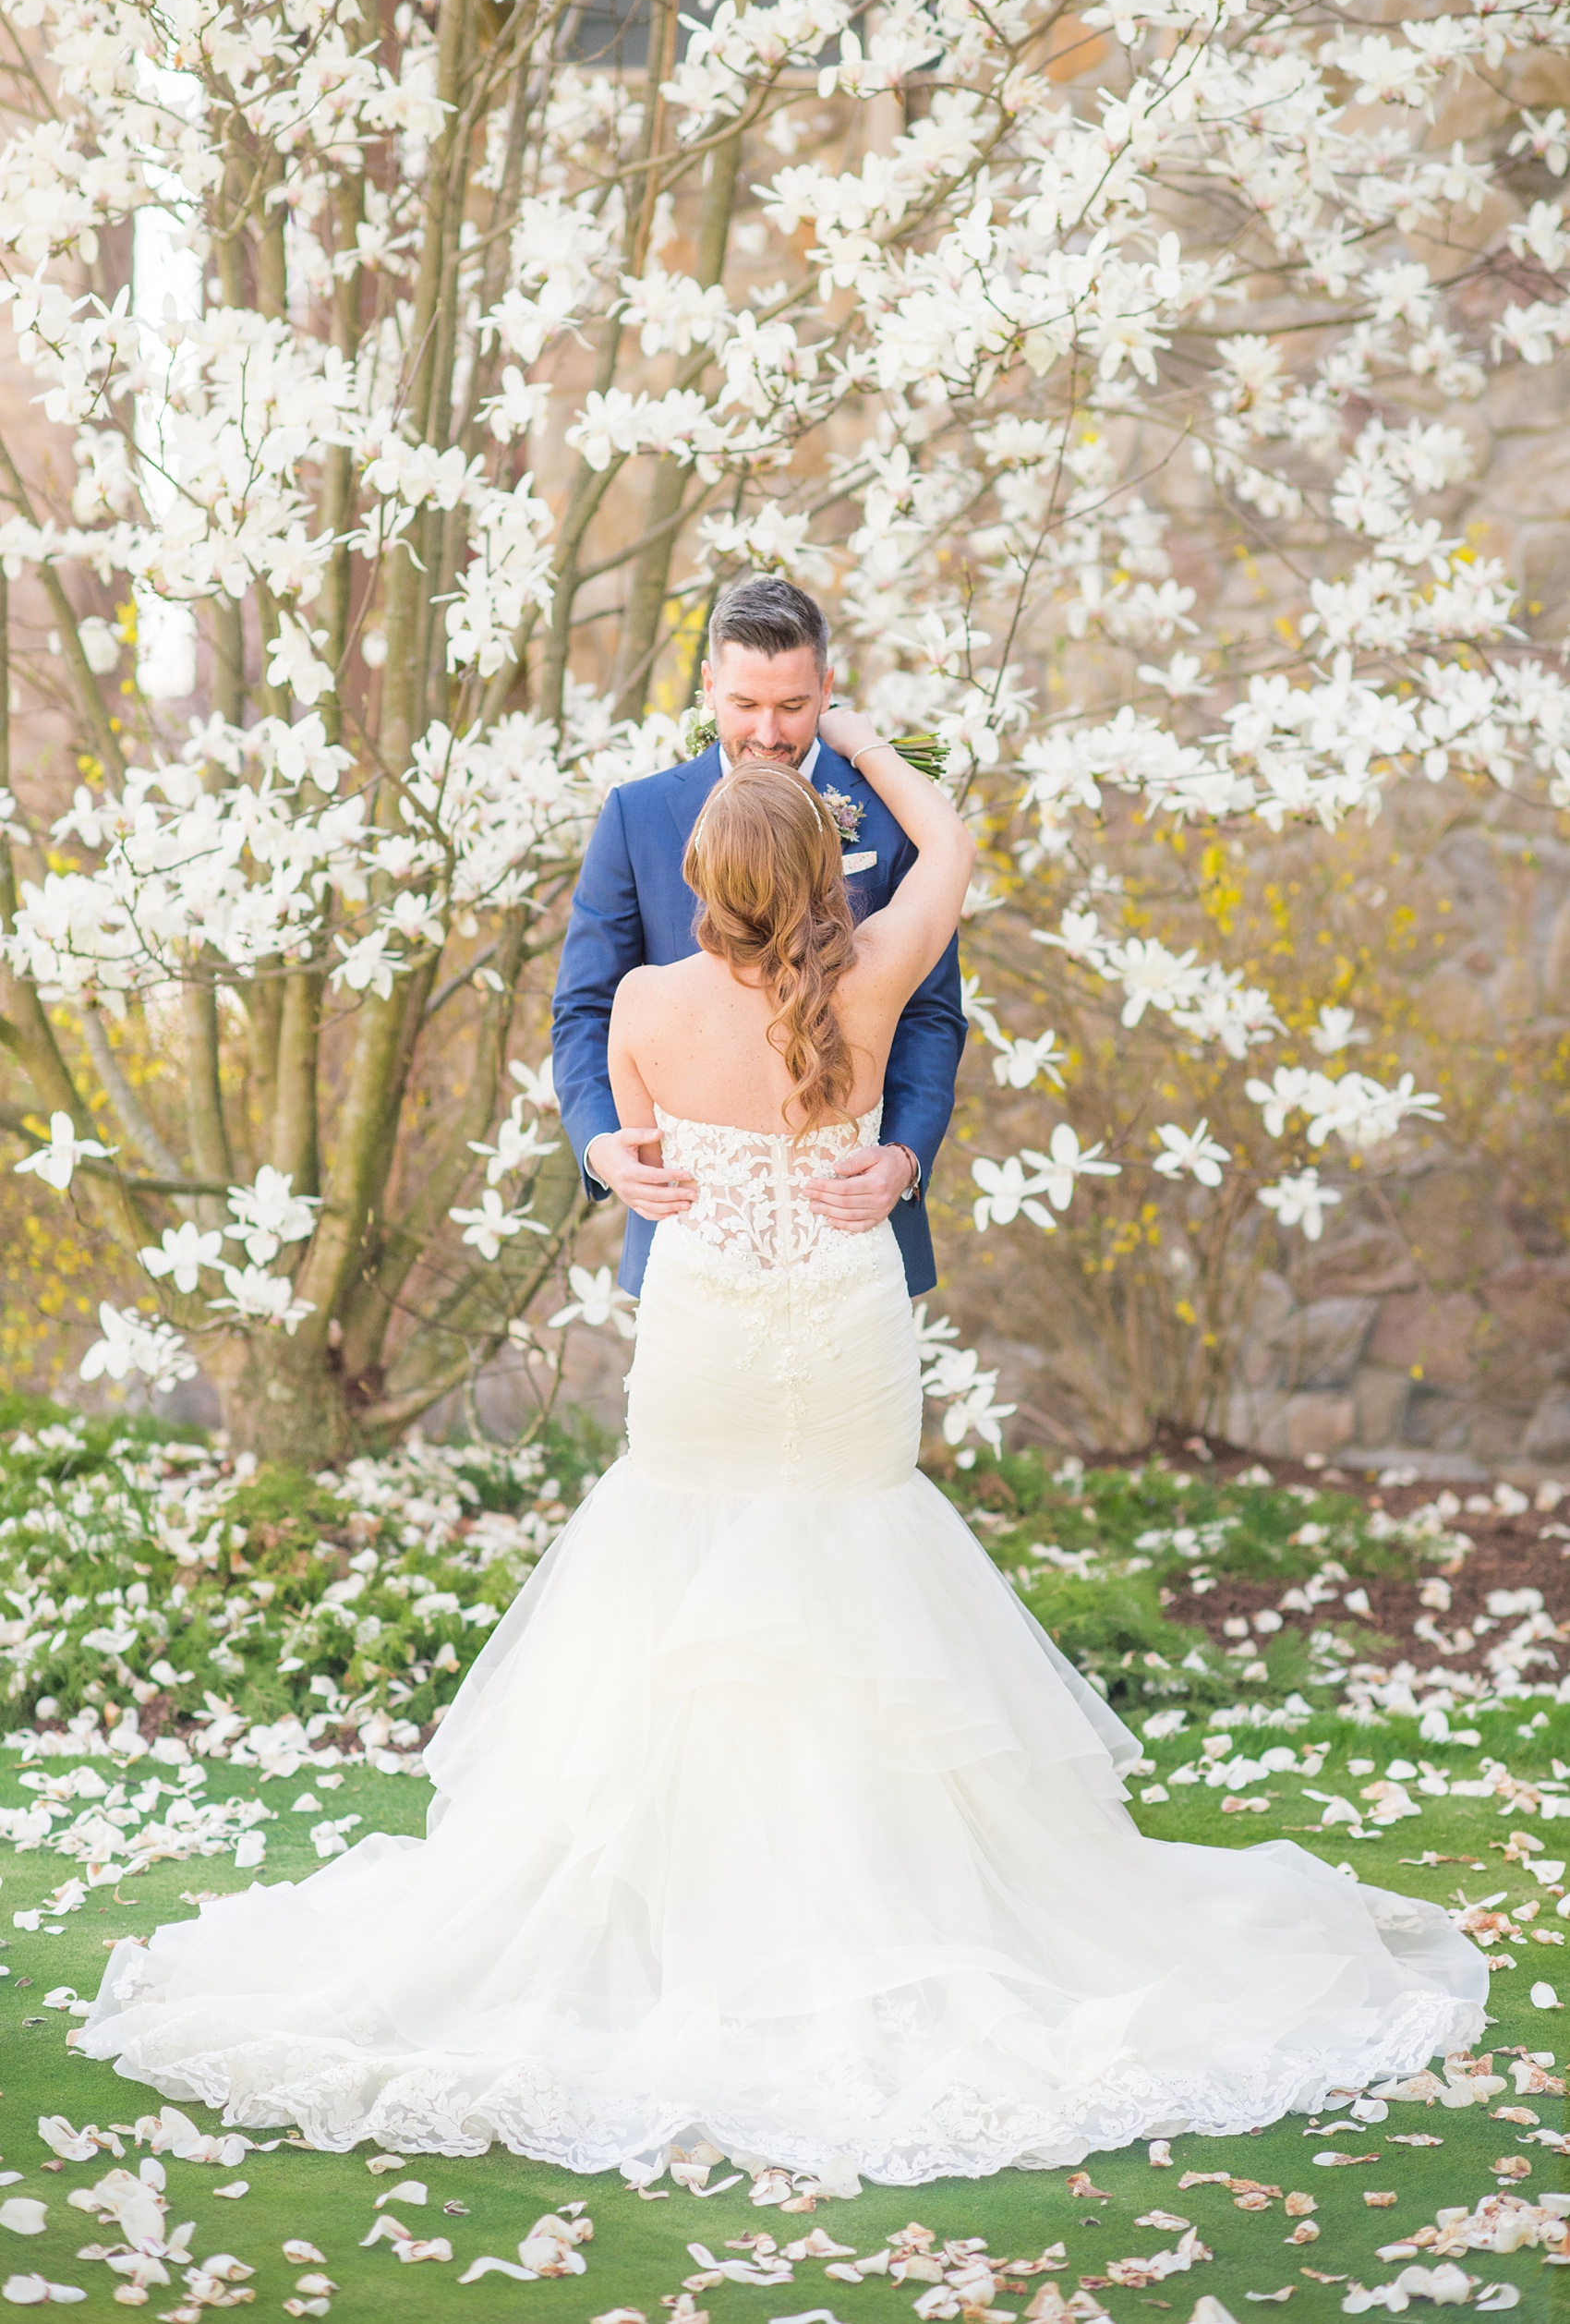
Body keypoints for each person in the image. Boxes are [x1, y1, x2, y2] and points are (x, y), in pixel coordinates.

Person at [77, 679, 1486, 2185]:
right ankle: (879, 1910)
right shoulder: (870, 980)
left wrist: (636, 1132)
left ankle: (690, 1915)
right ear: (826, 881)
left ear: (697, 880)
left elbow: (638, 1148)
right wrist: (851, 740)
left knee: (678, 1578)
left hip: (703, 1338)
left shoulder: (641, 1007)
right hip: (839, 1328)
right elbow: (950, 840)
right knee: (862, 1578)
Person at [551, 575, 968, 1301]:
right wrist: (601, 1145)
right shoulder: (636, 816)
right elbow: (583, 1007)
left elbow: (931, 1011)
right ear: (709, 685)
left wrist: (903, 1155)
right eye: (745, 704)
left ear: (828, 686)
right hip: (692, 1236)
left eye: (793, 705)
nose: (768, 733)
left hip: (854, 1225)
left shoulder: (893, 810)